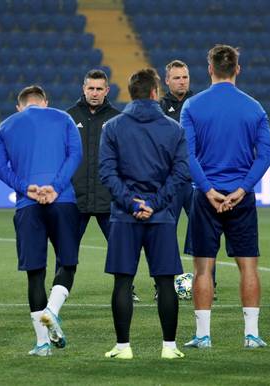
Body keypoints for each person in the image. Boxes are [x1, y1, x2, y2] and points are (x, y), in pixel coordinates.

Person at [181, 45, 270, 349]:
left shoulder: (192, 106)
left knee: (203, 268)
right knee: (248, 266)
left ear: (210, 69)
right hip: (240, 198)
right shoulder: (254, 107)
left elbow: (188, 154)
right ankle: (252, 334)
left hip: (205, 198)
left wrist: (208, 190)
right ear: (238, 69)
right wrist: (242, 189)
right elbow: (266, 155)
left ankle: (204, 335)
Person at [99, 68, 189, 360]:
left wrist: (132, 203)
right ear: (155, 92)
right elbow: (180, 173)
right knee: (165, 282)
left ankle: (123, 347)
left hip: (125, 216)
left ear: (131, 93)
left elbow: (107, 173)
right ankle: (169, 347)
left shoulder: (112, 127)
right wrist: (155, 203)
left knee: (123, 281)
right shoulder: (173, 128)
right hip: (160, 216)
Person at [0, 85, 82, 357]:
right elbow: (75, 155)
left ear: (21, 106)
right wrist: (54, 187)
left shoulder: (6, 125)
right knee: (67, 263)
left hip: (27, 204)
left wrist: (26, 187)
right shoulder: (63, 118)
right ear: (45, 102)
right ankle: (52, 310)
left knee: (35, 273)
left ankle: (43, 344)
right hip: (62, 200)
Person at [66, 69, 129, 296]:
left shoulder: (118, 119)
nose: (94, 93)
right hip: (75, 197)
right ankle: (61, 288)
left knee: (120, 249)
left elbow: (126, 159)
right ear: (83, 89)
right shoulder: (68, 117)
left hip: (109, 198)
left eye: (99, 89)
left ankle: (125, 289)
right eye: (90, 88)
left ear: (107, 90)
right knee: (67, 249)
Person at [159, 60, 198, 299]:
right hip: (170, 182)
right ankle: (163, 285)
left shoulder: (199, 104)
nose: (182, 81)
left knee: (202, 231)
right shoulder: (160, 107)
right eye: (176, 78)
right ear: (167, 81)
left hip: (197, 180)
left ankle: (205, 282)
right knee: (164, 234)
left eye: (184, 77)